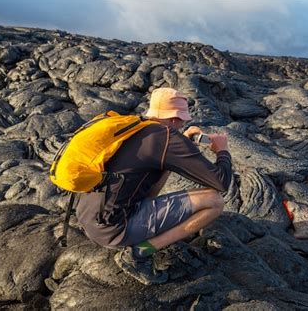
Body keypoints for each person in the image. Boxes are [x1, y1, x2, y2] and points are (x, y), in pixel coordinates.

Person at [75, 87, 233, 285]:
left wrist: (181, 143)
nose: (185, 123)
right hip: (115, 230)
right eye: (184, 120)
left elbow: (151, 184)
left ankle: (136, 240)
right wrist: (222, 151)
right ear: (176, 119)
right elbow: (221, 182)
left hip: (89, 220)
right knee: (214, 201)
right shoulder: (167, 138)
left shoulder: (133, 127)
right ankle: (140, 253)